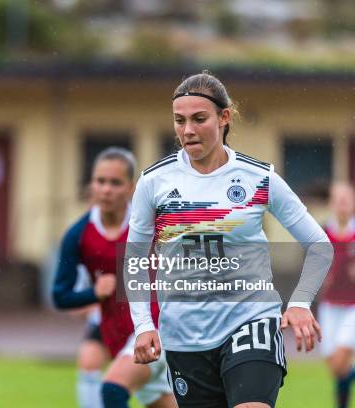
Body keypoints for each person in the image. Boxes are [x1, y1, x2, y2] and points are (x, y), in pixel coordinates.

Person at [126, 71, 333, 408]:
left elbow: (319, 244)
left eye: (199, 119)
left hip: (250, 321)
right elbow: (135, 260)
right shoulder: (154, 182)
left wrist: (299, 302)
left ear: (224, 118)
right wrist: (143, 325)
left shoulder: (258, 178)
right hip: (184, 336)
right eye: (179, 121)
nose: (187, 130)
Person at [53, 147, 177, 408]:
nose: (106, 189)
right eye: (100, 181)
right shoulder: (78, 235)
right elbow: (60, 296)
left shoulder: (153, 224)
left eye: (115, 182)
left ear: (131, 187)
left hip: (158, 328)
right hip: (118, 335)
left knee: (112, 389)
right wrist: (93, 294)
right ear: (92, 185)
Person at [319, 182, 355, 408]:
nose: (342, 204)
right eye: (338, 200)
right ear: (332, 203)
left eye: (346, 200)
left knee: (340, 362)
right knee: (336, 367)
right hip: (330, 305)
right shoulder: (321, 233)